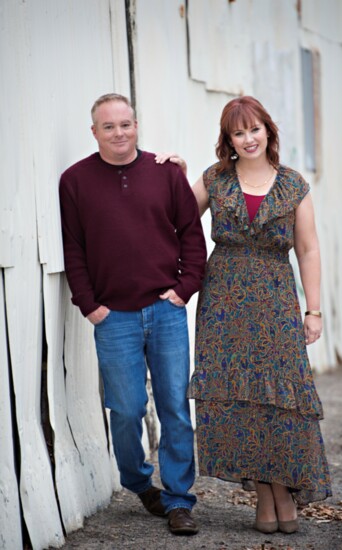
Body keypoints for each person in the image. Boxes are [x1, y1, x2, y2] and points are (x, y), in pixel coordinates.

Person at [161, 95, 332, 534]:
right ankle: (264, 494)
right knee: (240, 400)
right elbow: (174, 217)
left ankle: (282, 488)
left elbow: (309, 250)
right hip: (223, 303)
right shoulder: (215, 179)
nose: (248, 138)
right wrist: (174, 176)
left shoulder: (293, 184)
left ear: (268, 132)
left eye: (255, 129)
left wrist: (313, 310)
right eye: (239, 132)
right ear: (229, 139)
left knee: (280, 399)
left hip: (276, 301)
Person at [59, 93, 207, 536]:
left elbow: (192, 238)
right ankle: (140, 484)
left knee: (175, 407)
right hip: (114, 318)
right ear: (94, 132)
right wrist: (91, 306)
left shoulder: (166, 174)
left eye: (126, 124)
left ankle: (180, 500)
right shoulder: (75, 181)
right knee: (125, 409)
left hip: (165, 311)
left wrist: (184, 290)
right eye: (109, 127)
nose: (119, 133)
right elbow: (73, 249)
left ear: (136, 125)